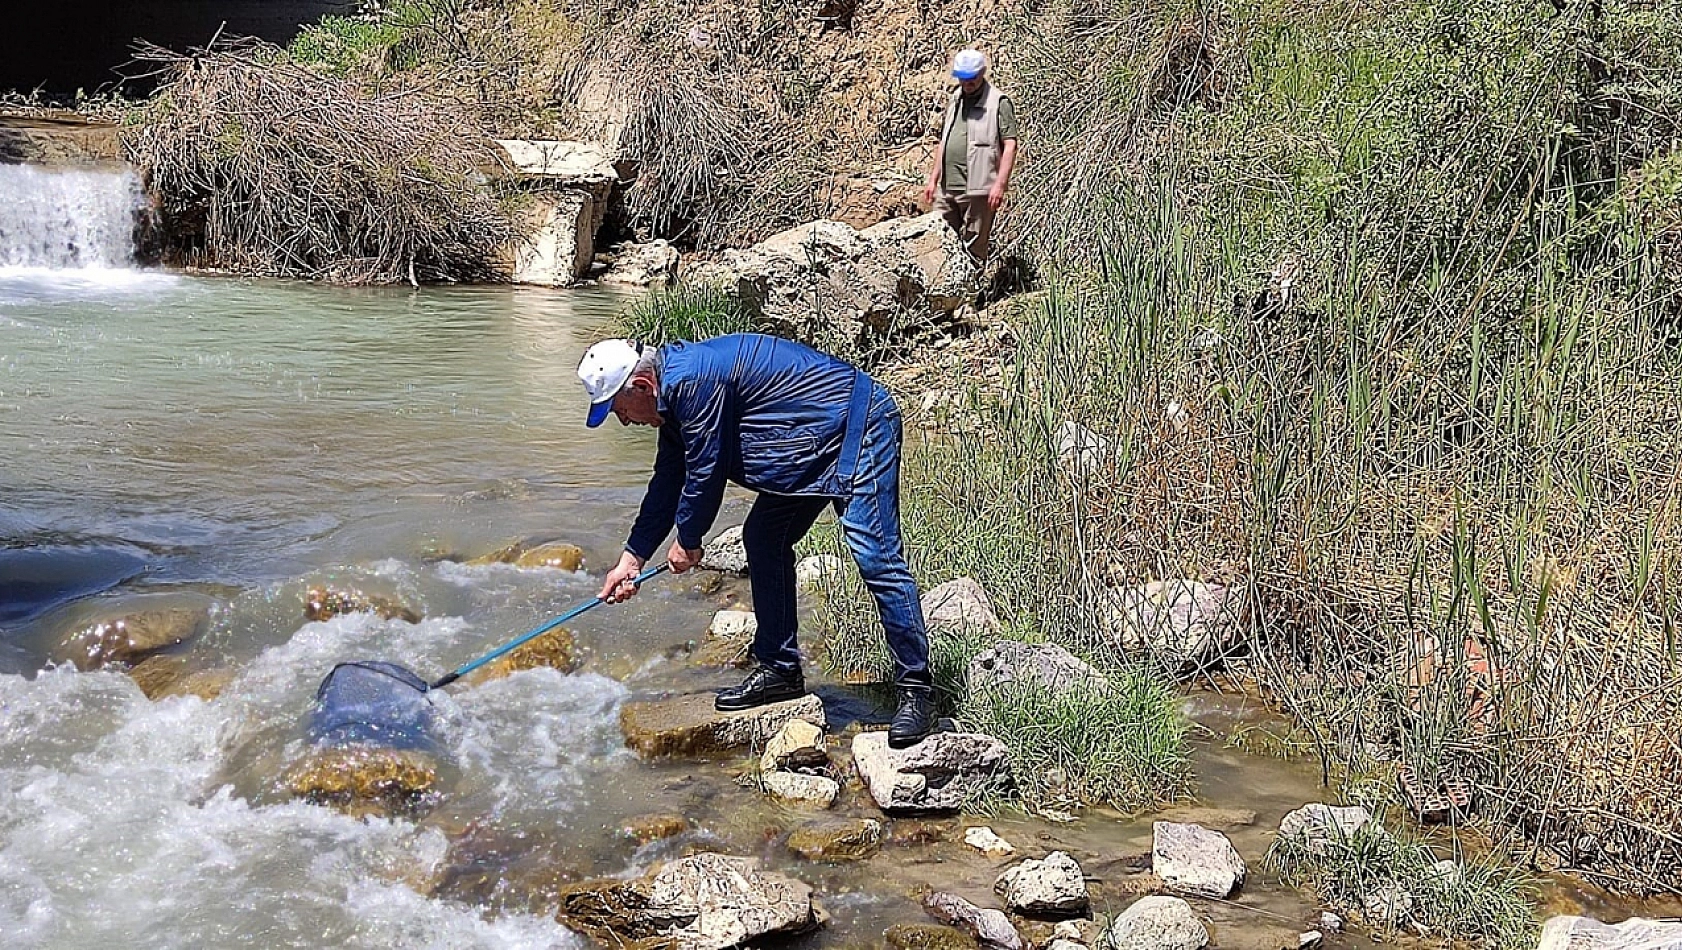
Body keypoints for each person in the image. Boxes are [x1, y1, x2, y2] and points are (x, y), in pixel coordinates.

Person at [578, 334, 936, 748]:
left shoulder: (692, 381)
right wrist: (632, 557)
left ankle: (917, 690)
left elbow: (706, 471)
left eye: (619, 411)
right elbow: (668, 481)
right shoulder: (670, 397)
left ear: (642, 387)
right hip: (811, 443)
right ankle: (781, 670)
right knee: (763, 538)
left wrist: (689, 540)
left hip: (859, 426)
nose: (624, 422)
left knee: (876, 559)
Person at [922, 48, 1018, 263]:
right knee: (940, 239)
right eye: (963, 78)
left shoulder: (998, 102)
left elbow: (1010, 145)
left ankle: (972, 294)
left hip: (979, 187)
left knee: (974, 245)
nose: (967, 83)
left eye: (972, 78)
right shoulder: (956, 98)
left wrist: (1000, 185)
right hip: (948, 187)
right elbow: (944, 140)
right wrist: (933, 180)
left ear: (983, 72)